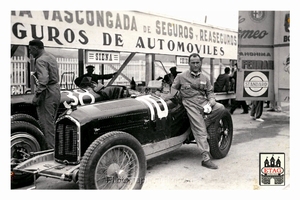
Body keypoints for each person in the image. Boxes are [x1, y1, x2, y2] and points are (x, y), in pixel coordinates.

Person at [171, 53, 226, 169]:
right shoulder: (181, 76)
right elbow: (173, 90)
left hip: (203, 103)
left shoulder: (205, 78)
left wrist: (211, 103)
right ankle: (206, 158)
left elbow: (210, 92)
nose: (195, 65)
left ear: (200, 63)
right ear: (189, 63)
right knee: (201, 130)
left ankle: (203, 123)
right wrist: (175, 100)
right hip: (190, 105)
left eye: (197, 62)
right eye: (193, 63)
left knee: (220, 108)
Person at [29, 39, 61, 149]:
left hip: (47, 92)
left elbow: (43, 80)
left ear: (35, 48)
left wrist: (37, 96)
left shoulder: (40, 60)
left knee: (46, 126)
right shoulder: (51, 57)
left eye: (30, 50)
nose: (30, 53)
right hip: (56, 89)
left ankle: (50, 152)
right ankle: (55, 148)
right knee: (51, 123)